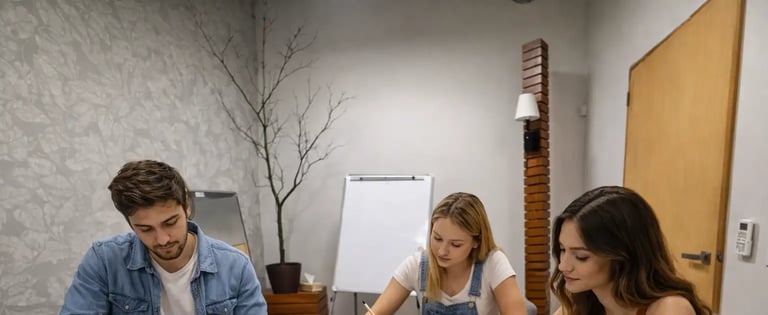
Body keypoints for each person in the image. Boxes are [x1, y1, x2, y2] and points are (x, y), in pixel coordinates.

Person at [60, 160, 267, 315]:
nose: (162, 240)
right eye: (145, 229)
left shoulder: (235, 266)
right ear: (130, 223)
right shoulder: (104, 261)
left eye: (170, 223)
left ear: (187, 206)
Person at [551, 186, 712, 315]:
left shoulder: (670, 309)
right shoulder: (580, 303)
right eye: (562, 249)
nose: (563, 266)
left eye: (581, 256)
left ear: (623, 255)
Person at [368, 192, 529, 315]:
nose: (442, 251)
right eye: (437, 238)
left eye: (455, 244)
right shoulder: (417, 265)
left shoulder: (493, 263)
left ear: (476, 241)